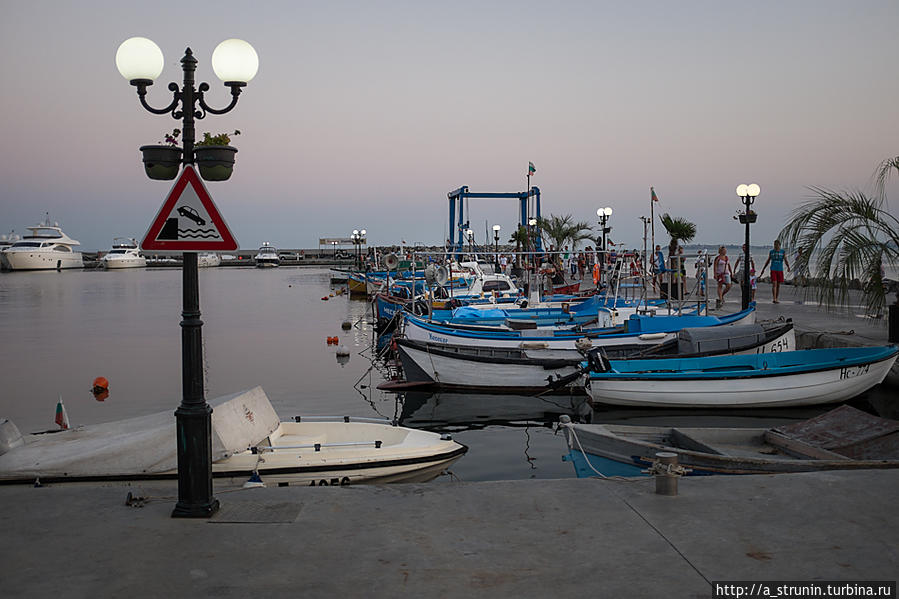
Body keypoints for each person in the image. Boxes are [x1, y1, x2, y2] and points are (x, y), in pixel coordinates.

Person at [760, 240, 791, 304]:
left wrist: (788, 267)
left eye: (777, 245)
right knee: (774, 284)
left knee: (778, 285)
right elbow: (768, 260)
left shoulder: (782, 252)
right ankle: (774, 298)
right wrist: (763, 269)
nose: (776, 247)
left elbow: (785, 260)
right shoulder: (771, 252)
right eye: (775, 245)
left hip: (780, 269)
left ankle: (776, 298)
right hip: (773, 269)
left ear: (779, 245)